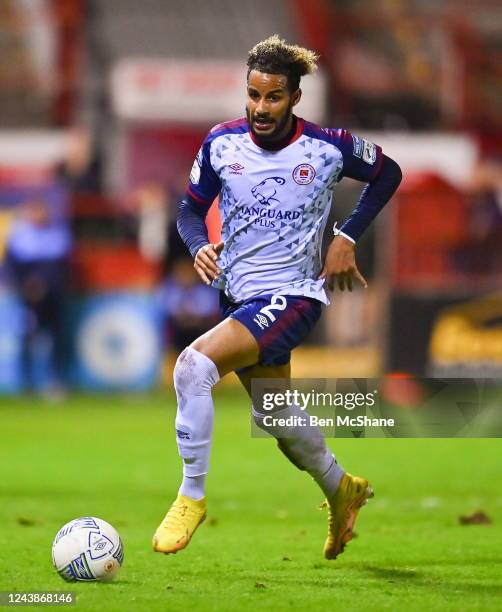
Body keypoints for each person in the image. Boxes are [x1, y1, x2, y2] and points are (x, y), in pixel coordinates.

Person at [153, 35, 402, 560]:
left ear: (294, 99)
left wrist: (347, 236)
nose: (260, 108)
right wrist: (198, 245)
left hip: (293, 295)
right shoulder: (221, 143)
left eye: (272, 98)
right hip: (239, 297)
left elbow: (388, 173)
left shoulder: (327, 147)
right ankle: (341, 488)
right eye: (253, 95)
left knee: (192, 368)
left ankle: (190, 496)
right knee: (274, 414)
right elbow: (188, 210)